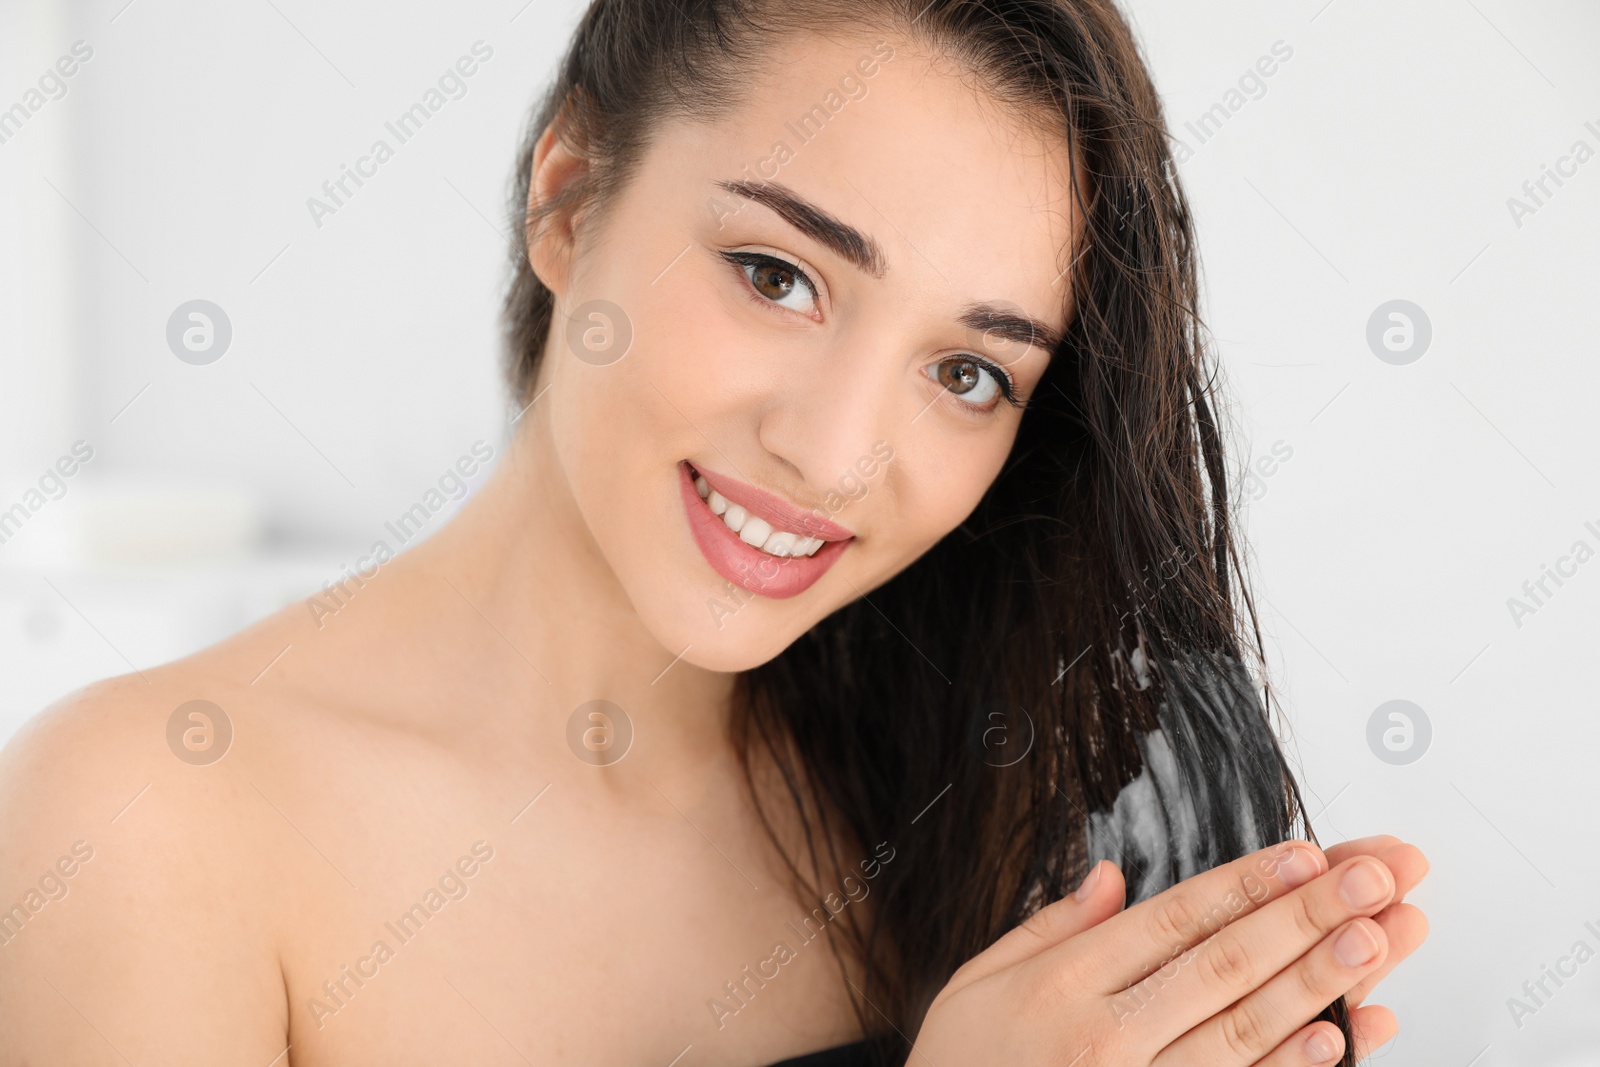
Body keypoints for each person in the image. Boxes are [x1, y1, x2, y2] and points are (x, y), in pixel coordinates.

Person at [0, 0, 1429, 1063]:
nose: (834, 454)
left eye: (969, 373)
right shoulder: (150, 825)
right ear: (567, 200)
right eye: (776, 275)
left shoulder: (1035, 789)